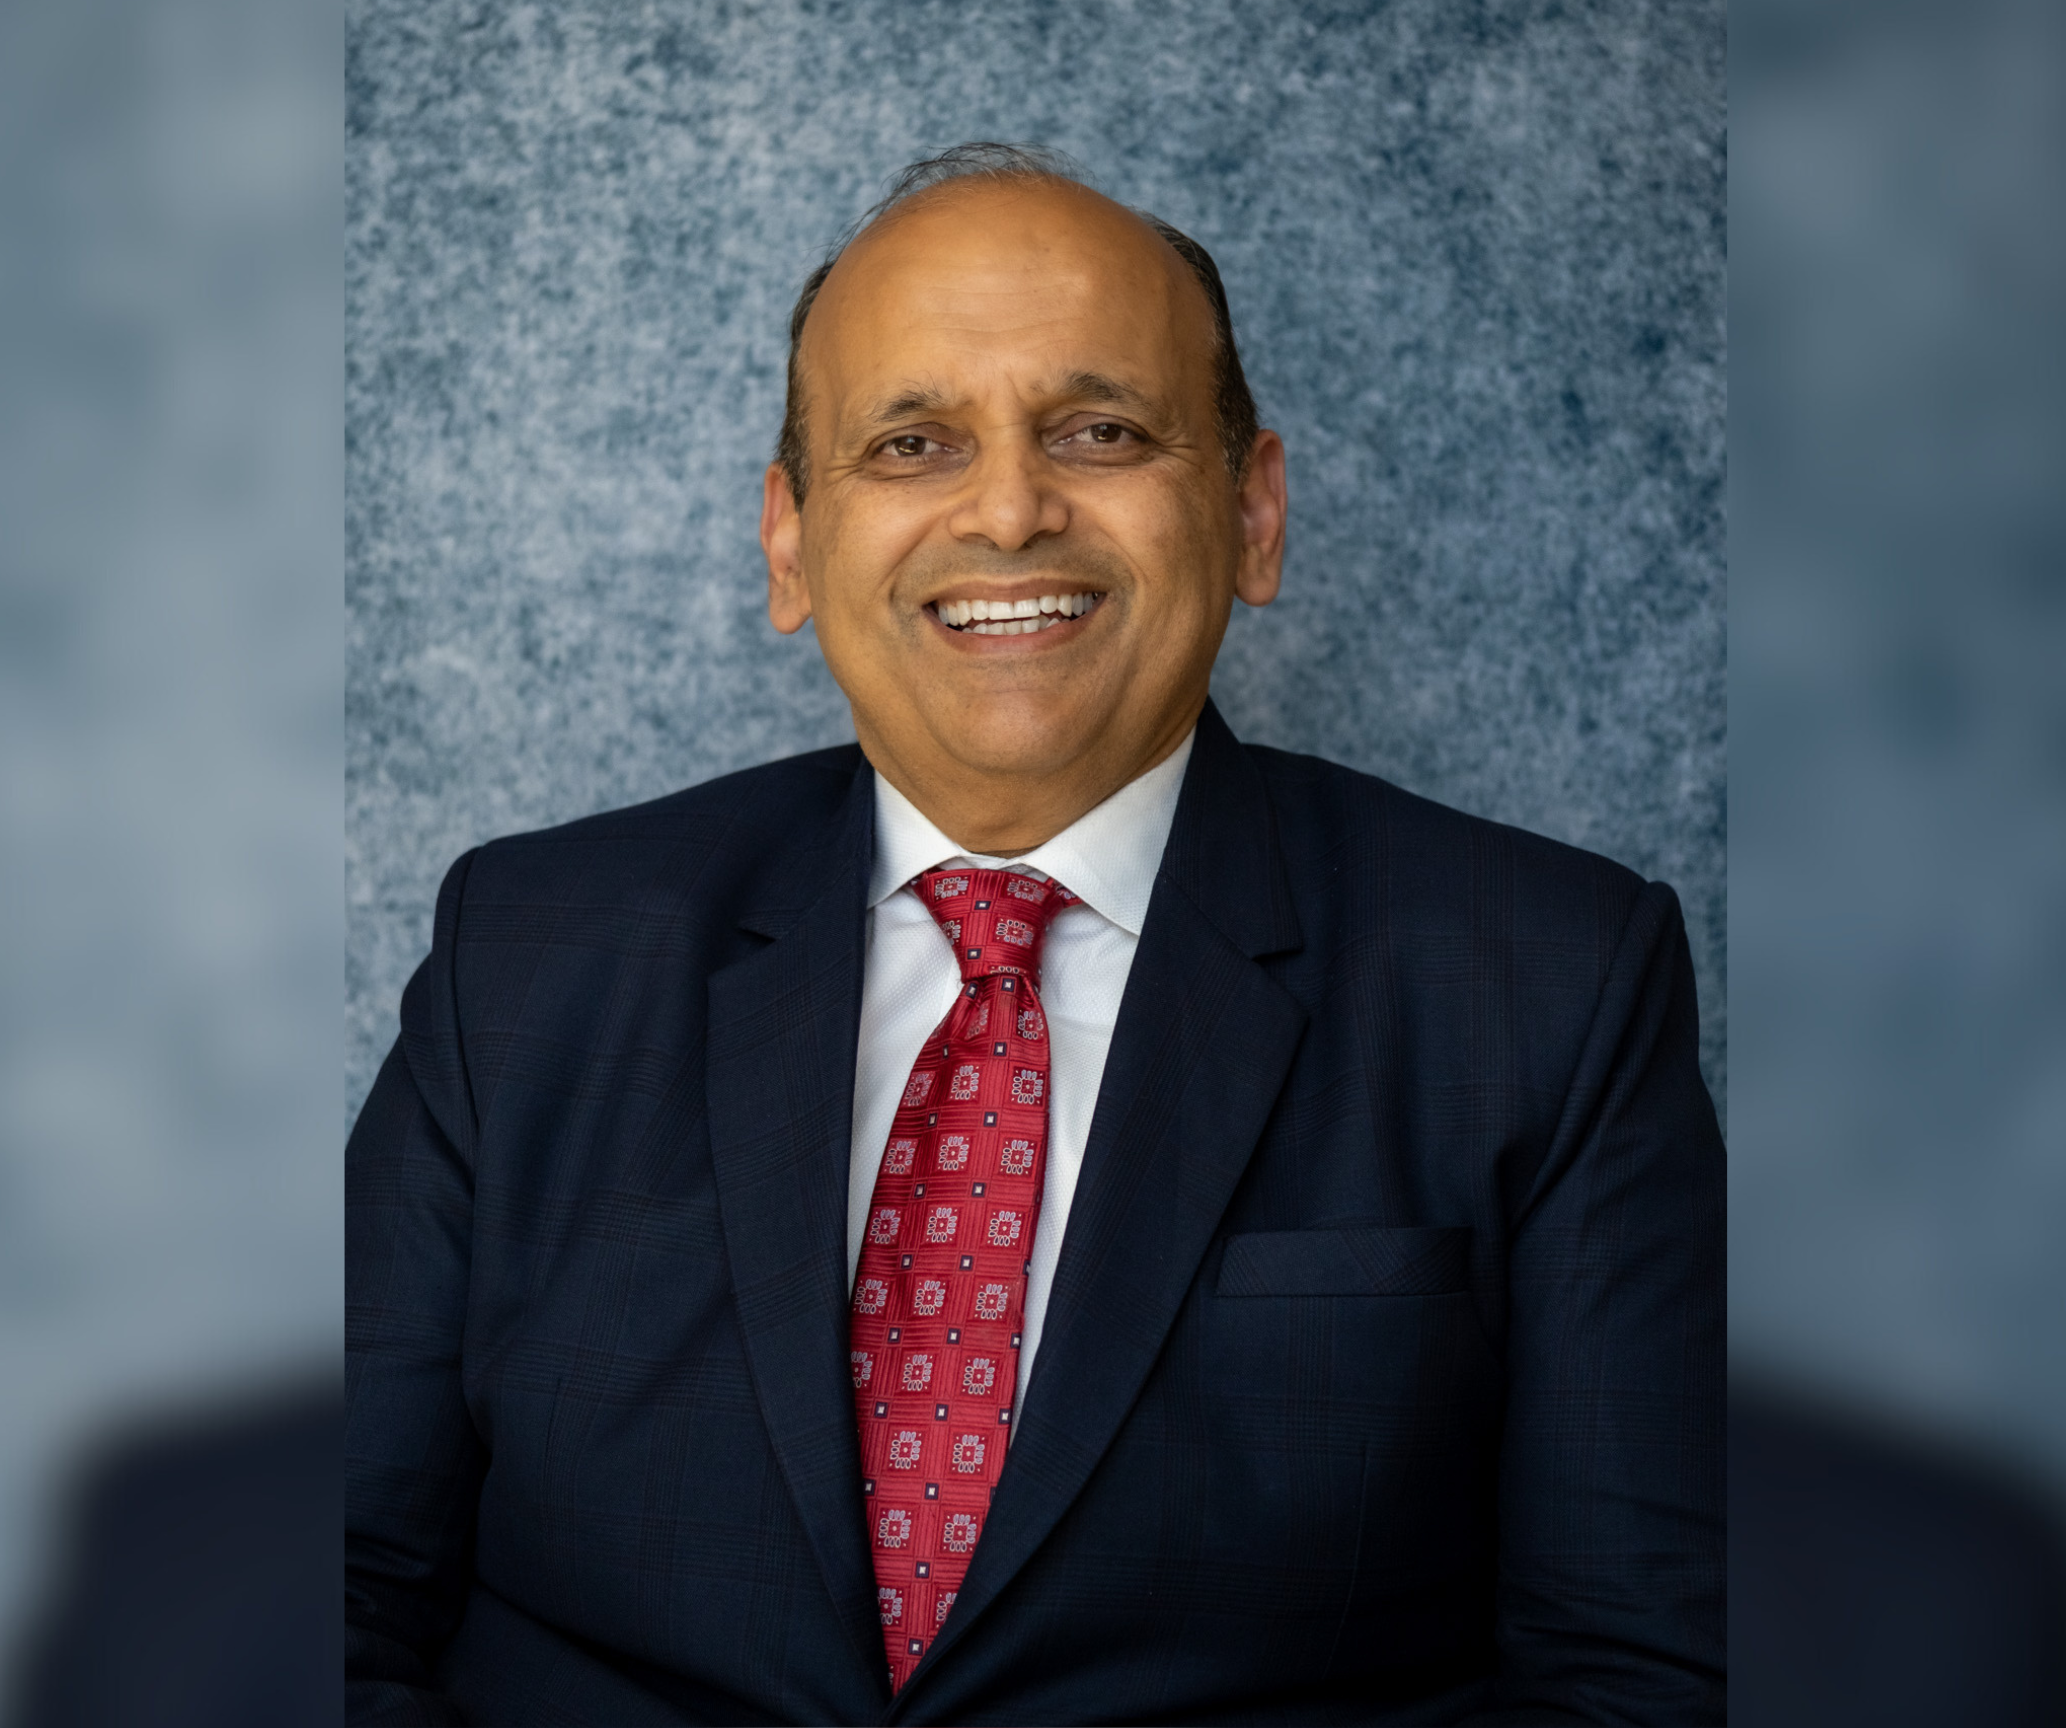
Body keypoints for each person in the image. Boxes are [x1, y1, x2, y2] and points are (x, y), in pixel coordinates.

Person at [345, 143, 1725, 1725]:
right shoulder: (526, 958)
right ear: (792, 544)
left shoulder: (1550, 983)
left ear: (1253, 513)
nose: (1009, 508)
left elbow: (1638, 1676)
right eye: (914, 441)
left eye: (1103, 430)